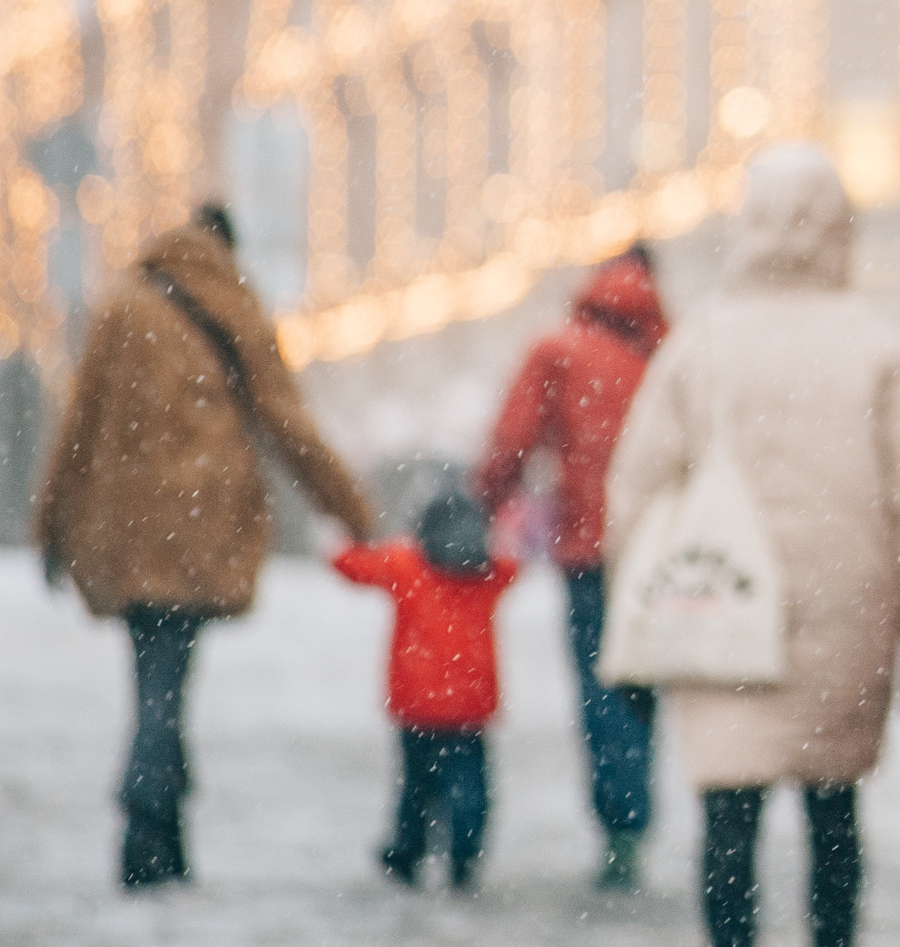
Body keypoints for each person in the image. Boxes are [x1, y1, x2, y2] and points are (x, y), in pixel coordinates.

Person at [607, 143, 900, 947]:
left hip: (717, 606)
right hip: (849, 609)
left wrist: (627, 632)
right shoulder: (881, 347)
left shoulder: (700, 343)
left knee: (729, 820)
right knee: (834, 817)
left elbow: (634, 490)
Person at [32, 201, 376, 890]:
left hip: (127, 528)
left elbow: (79, 422)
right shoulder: (232, 301)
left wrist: (52, 524)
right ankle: (150, 817)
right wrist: (352, 510)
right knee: (167, 683)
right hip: (199, 526)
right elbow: (287, 420)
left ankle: (158, 827)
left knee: (154, 676)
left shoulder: (121, 307)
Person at [477, 246, 668, 890]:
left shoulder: (558, 351)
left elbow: (512, 439)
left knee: (599, 687)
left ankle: (618, 825)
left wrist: (485, 499)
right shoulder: (669, 356)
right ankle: (636, 817)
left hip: (588, 549)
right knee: (645, 684)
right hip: (657, 550)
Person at [333, 479, 520, 891]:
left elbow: (348, 564)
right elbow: (515, 564)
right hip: (471, 705)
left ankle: (407, 850)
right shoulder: (488, 572)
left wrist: (348, 532)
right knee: (470, 782)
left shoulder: (406, 564)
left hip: (416, 702)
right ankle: (464, 852)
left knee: (415, 784)